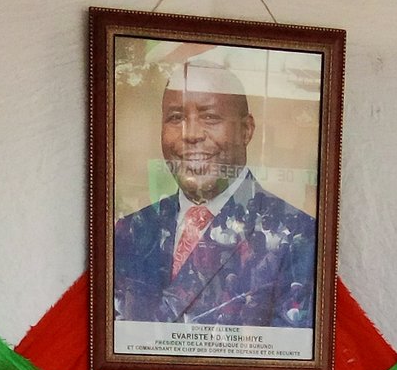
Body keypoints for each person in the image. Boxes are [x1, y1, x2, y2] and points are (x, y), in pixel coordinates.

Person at [111, 59, 317, 330]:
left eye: (210, 117)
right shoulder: (130, 230)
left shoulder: (299, 236)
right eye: (176, 118)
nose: (191, 134)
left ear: (246, 130)